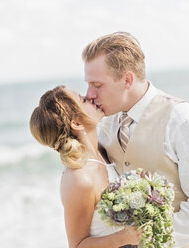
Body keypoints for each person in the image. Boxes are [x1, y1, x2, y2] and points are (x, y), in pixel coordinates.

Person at [82, 32, 189, 248]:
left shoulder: (183, 120)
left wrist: (152, 241)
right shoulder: (106, 124)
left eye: (97, 85)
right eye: (88, 85)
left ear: (127, 79)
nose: (89, 94)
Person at [30, 85, 143, 248]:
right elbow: (77, 245)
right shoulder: (79, 178)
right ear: (76, 123)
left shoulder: (103, 150)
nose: (90, 97)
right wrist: (124, 237)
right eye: (83, 100)